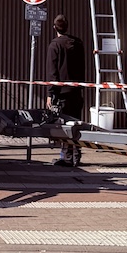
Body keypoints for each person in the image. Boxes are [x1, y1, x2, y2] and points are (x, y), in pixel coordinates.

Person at [45, 14, 86, 167]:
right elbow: (82, 67)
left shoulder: (54, 46)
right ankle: (76, 154)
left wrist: (50, 93)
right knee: (76, 123)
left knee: (64, 125)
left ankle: (67, 157)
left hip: (62, 92)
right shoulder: (78, 44)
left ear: (54, 28)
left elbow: (52, 72)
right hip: (76, 90)